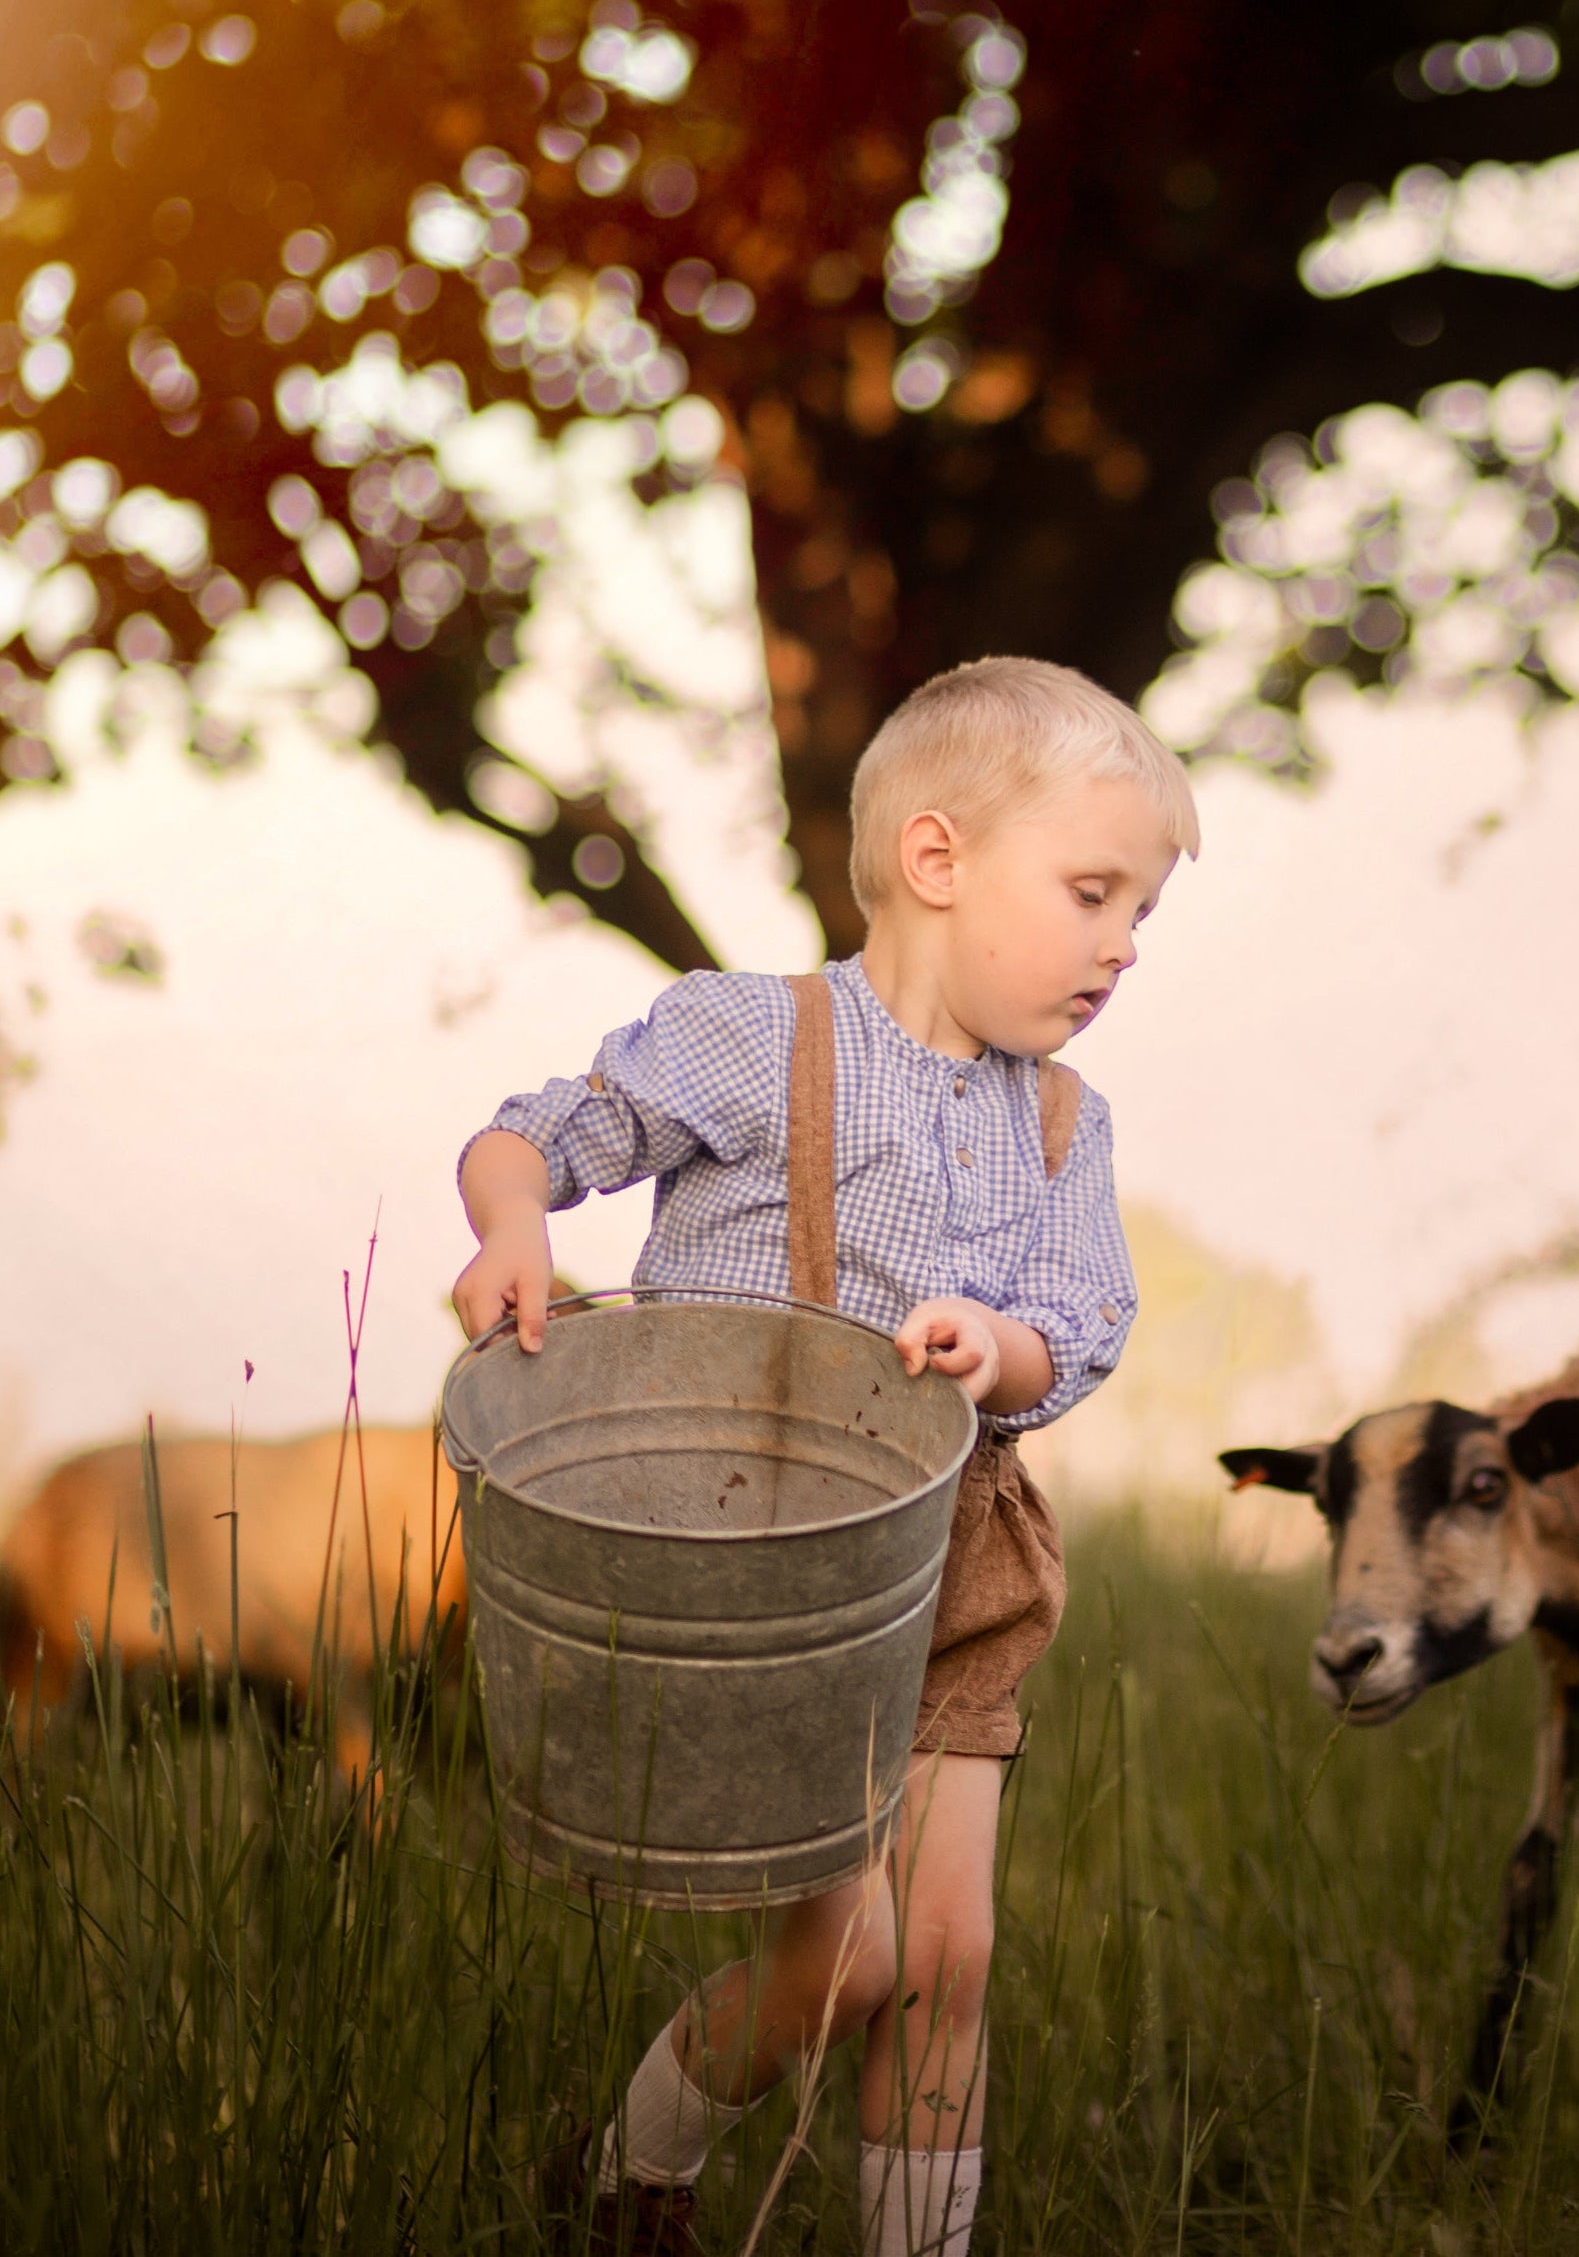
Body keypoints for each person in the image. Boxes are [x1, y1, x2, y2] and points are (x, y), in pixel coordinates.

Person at [452, 657, 1196, 2257]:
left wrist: (1002, 1351)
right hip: (748, 1546)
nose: (1122, 945)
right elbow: (540, 1131)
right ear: (937, 862)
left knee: (945, 1957)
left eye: (1139, 912)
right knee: (845, 1961)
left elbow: (1088, 1312)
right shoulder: (749, 1035)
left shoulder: (1067, 1120)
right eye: (1090, 893)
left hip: (951, 1555)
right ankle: (638, 2164)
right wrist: (515, 1225)